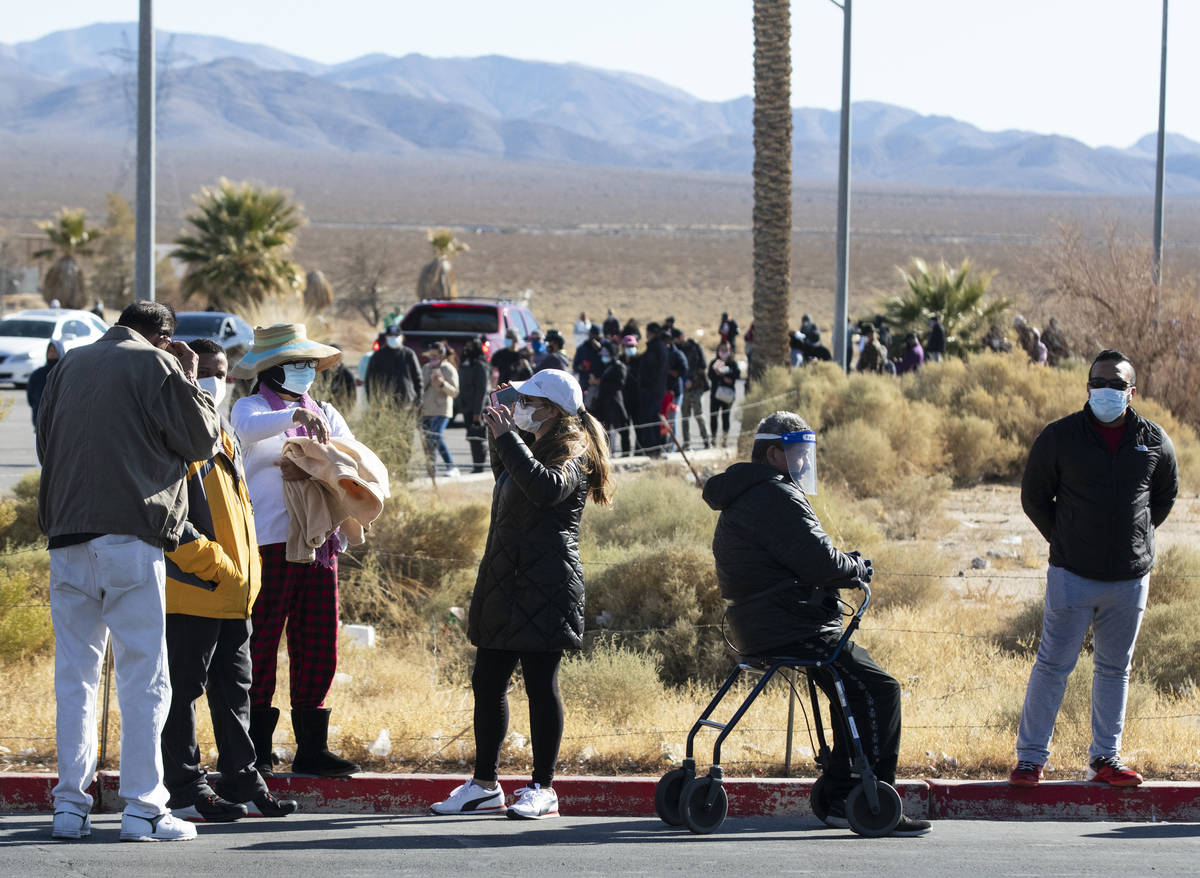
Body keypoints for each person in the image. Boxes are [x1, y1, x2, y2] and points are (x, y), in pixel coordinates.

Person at [38, 300, 220, 842]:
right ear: (163, 337)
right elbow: (202, 439)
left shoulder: (70, 363)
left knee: (76, 678)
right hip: (130, 539)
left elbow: (47, 443)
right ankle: (143, 807)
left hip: (67, 538)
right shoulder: (157, 362)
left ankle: (69, 807)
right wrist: (189, 378)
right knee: (145, 678)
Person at [702, 411, 931, 837]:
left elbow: (801, 555)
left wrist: (839, 566)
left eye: (806, 453)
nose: (804, 462)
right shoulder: (775, 494)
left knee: (850, 688)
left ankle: (842, 790)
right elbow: (821, 561)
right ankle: (872, 797)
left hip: (760, 624)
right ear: (774, 454)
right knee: (880, 689)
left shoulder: (747, 491)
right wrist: (857, 567)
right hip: (793, 627)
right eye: (797, 453)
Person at [429, 369, 614, 820]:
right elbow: (509, 480)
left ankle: (543, 788)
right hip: (507, 579)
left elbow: (544, 489)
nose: (522, 406)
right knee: (488, 681)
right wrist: (500, 435)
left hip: (547, 584)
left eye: (529, 401)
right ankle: (484, 786)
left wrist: (508, 437)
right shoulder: (531, 443)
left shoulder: (574, 451)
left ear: (551, 410)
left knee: (539, 685)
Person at [1010, 350, 1177, 789]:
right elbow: (1034, 497)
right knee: (1052, 665)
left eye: (1116, 384)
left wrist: (1135, 538)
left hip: (1129, 580)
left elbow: (1163, 497)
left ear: (1131, 392)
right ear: (1087, 387)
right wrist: (1066, 539)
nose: (1106, 390)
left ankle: (1106, 759)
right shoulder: (1060, 437)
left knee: (1114, 670)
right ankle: (1030, 760)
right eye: (1098, 382)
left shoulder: (1153, 439)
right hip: (1072, 576)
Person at [161, 339, 299, 823]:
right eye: (202, 371)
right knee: (182, 695)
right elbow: (167, 516)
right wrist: (212, 564)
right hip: (194, 590)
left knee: (235, 693)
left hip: (234, 593)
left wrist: (243, 574)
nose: (213, 381)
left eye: (220, 372)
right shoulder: (173, 432)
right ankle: (185, 790)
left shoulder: (224, 432)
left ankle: (242, 780)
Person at [230, 324, 362, 779]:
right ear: (271, 369)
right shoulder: (249, 408)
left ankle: (312, 748)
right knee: (261, 643)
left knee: (318, 643)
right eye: (297, 363)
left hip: (319, 542)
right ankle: (256, 750)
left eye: (310, 363)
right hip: (267, 542)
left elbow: (349, 457)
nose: (306, 370)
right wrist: (296, 419)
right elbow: (247, 431)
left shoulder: (326, 411)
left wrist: (311, 460)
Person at [421, 341, 461, 477]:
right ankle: (431, 471)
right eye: (430, 355)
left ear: (442, 356)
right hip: (426, 410)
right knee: (428, 442)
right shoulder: (426, 368)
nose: (432, 358)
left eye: (435, 356)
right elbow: (420, 387)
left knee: (436, 436)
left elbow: (455, 392)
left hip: (442, 410)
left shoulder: (448, 369)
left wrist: (442, 383)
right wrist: (427, 381)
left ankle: (451, 466)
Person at [365, 325, 422, 411]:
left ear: (402, 337)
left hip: (407, 403)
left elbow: (418, 379)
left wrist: (418, 400)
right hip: (384, 404)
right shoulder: (378, 356)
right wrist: (372, 401)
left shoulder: (409, 354)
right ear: (386, 338)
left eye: (396, 336)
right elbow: (370, 380)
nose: (393, 338)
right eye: (390, 336)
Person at [635, 322, 669, 455]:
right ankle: (655, 447)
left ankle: (653, 448)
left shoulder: (655, 348)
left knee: (650, 419)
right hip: (657, 389)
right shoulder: (660, 347)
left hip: (651, 390)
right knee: (653, 418)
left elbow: (651, 370)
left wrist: (644, 384)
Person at [459, 336, 492, 474]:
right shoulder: (465, 363)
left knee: (477, 438)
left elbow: (481, 391)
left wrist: (477, 414)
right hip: (467, 407)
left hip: (478, 408)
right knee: (472, 437)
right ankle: (476, 465)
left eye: (470, 345)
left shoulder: (480, 365)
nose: (467, 348)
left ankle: (479, 466)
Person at [595, 337, 631, 456]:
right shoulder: (607, 367)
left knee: (621, 429)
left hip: (615, 402)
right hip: (605, 403)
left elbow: (620, 384)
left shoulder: (619, 367)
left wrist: (602, 383)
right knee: (607, 430)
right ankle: (608, 453)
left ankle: (625, 453)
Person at [679, 330, 710, 450]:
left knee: (698, 414)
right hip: (686, 388)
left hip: (697, 387)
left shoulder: (694, 348)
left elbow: (702, 366)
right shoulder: (678, 349)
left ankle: (706, 440)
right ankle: (686, 442)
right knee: (685, 416)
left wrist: (692, 380)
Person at [26, 339, 64, 428]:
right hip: (40, 420)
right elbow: (30, 397)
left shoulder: (65, 373)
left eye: (54, 351)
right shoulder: (38, 374)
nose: (52, 354)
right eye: (50, 351)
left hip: (60, 422)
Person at [707, 340, 739, 448]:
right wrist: (719, 375)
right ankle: (713, 439)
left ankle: (725, 440)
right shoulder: (714, 362)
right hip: (715, 394)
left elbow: (737, 374)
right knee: (713, 417)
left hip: (728, 396)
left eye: (726, 350)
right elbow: (710, 376)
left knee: (726, 417)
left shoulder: (733, 363)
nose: (724, 352)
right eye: (722, 350)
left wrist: (729, 378)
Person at [313, 343, 358, 412]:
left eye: (337, 359)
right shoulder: (319, 373)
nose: (334, 363)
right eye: (331, 359)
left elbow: (352, 398)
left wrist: (346, 412)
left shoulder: (347, 376)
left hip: (341, 411)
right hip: (321, 411)